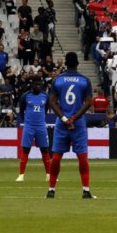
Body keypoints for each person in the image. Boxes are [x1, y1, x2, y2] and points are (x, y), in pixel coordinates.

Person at [46, 52, 94, 199]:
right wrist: (74, 118)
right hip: (78, 123)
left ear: (65, 63)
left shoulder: (58, 80)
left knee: (56, 157)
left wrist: (64, 118)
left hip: (61, 123)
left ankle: (51, 190)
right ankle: (85, 190)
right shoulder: (85, 80)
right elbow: (88, 102)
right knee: (82, 157)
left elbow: (52, 102)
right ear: (78, 63)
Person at [16, 78, 51, 182]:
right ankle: (21, 175)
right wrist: (27, 121)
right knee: (26, 150)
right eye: (36, 84)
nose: (38, 86)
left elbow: (46, 109)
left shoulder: (45, 96)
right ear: (32, 85)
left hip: (41, 127)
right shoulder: (25, 96)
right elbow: (21, 111)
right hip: (29, 127)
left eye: (40, 84)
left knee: (44, 150)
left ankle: (48, 175)